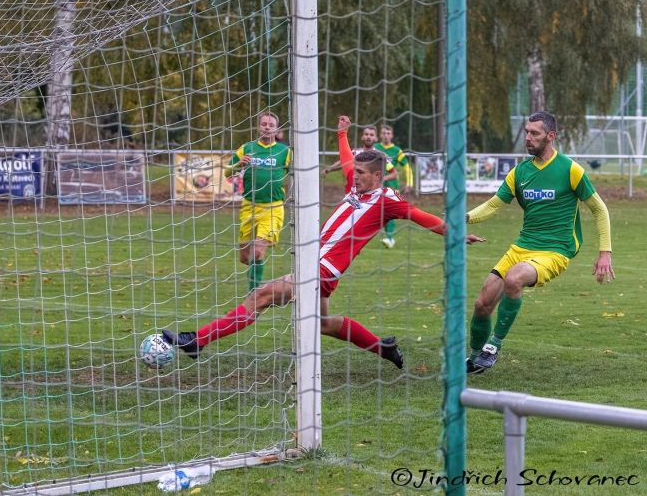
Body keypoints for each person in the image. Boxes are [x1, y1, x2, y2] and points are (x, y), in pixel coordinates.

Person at [163, 116, 485, 368]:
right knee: (324, 324)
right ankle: (382, 347)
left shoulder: (389, 200)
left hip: (323, 269)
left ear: (377, 176)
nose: (354, 176)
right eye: (355, 172)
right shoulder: (355, 185)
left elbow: (424, 218)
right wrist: (342, 134)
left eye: (361, 173)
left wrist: (456, 235)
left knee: (260, 296)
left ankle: (197, 340)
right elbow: (346, 160)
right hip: (319, 265)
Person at [465, 111, 615, 374]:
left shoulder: (570, 170)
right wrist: (462, 218)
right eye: (526, 132)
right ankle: (475, 358)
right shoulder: (519, 173)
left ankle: (493, 347)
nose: (527, 137)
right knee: (482, 304)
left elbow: (599, 209)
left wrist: (605, 252)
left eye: (534, 133)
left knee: (514, 278)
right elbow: (492, 206)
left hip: (555, 251)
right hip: (522, 247)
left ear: (551, 136)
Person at [226, 111, 292, 292]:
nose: (267, 128)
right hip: (249, 206)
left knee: (257, 251)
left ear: (277, 130)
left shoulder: (285, 152)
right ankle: (254, 274)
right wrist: (238, 165)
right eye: (264, 124)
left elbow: (297, 173)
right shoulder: (246, 148)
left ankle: (253, 294)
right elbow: (226, 172)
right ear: (258, 127)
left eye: (271, 125)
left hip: (273, 208)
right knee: (246, 257)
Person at [374, 124, 414, 248]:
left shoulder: (397, 151)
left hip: (391, 184)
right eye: (384, 133)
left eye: (388, 133)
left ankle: (390, 238)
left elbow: (407, 167)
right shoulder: (375, 147)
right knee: (378, 211)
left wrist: (409, 183)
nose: (386, 136)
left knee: (389, 211)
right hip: (375, 184)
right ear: (380, 135)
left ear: (392, 135)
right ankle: (387, 236)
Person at [323, 125, 398, 189]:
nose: (368, 137)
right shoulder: (355, 152)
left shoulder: (380, 156)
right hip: (355, 192)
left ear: (376, 138)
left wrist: (382, 179)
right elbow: (343, 162)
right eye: (366, 134)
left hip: (374, 193)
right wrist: (329, 169)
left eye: (371, 135)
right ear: (362, 137)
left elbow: (394, 174)